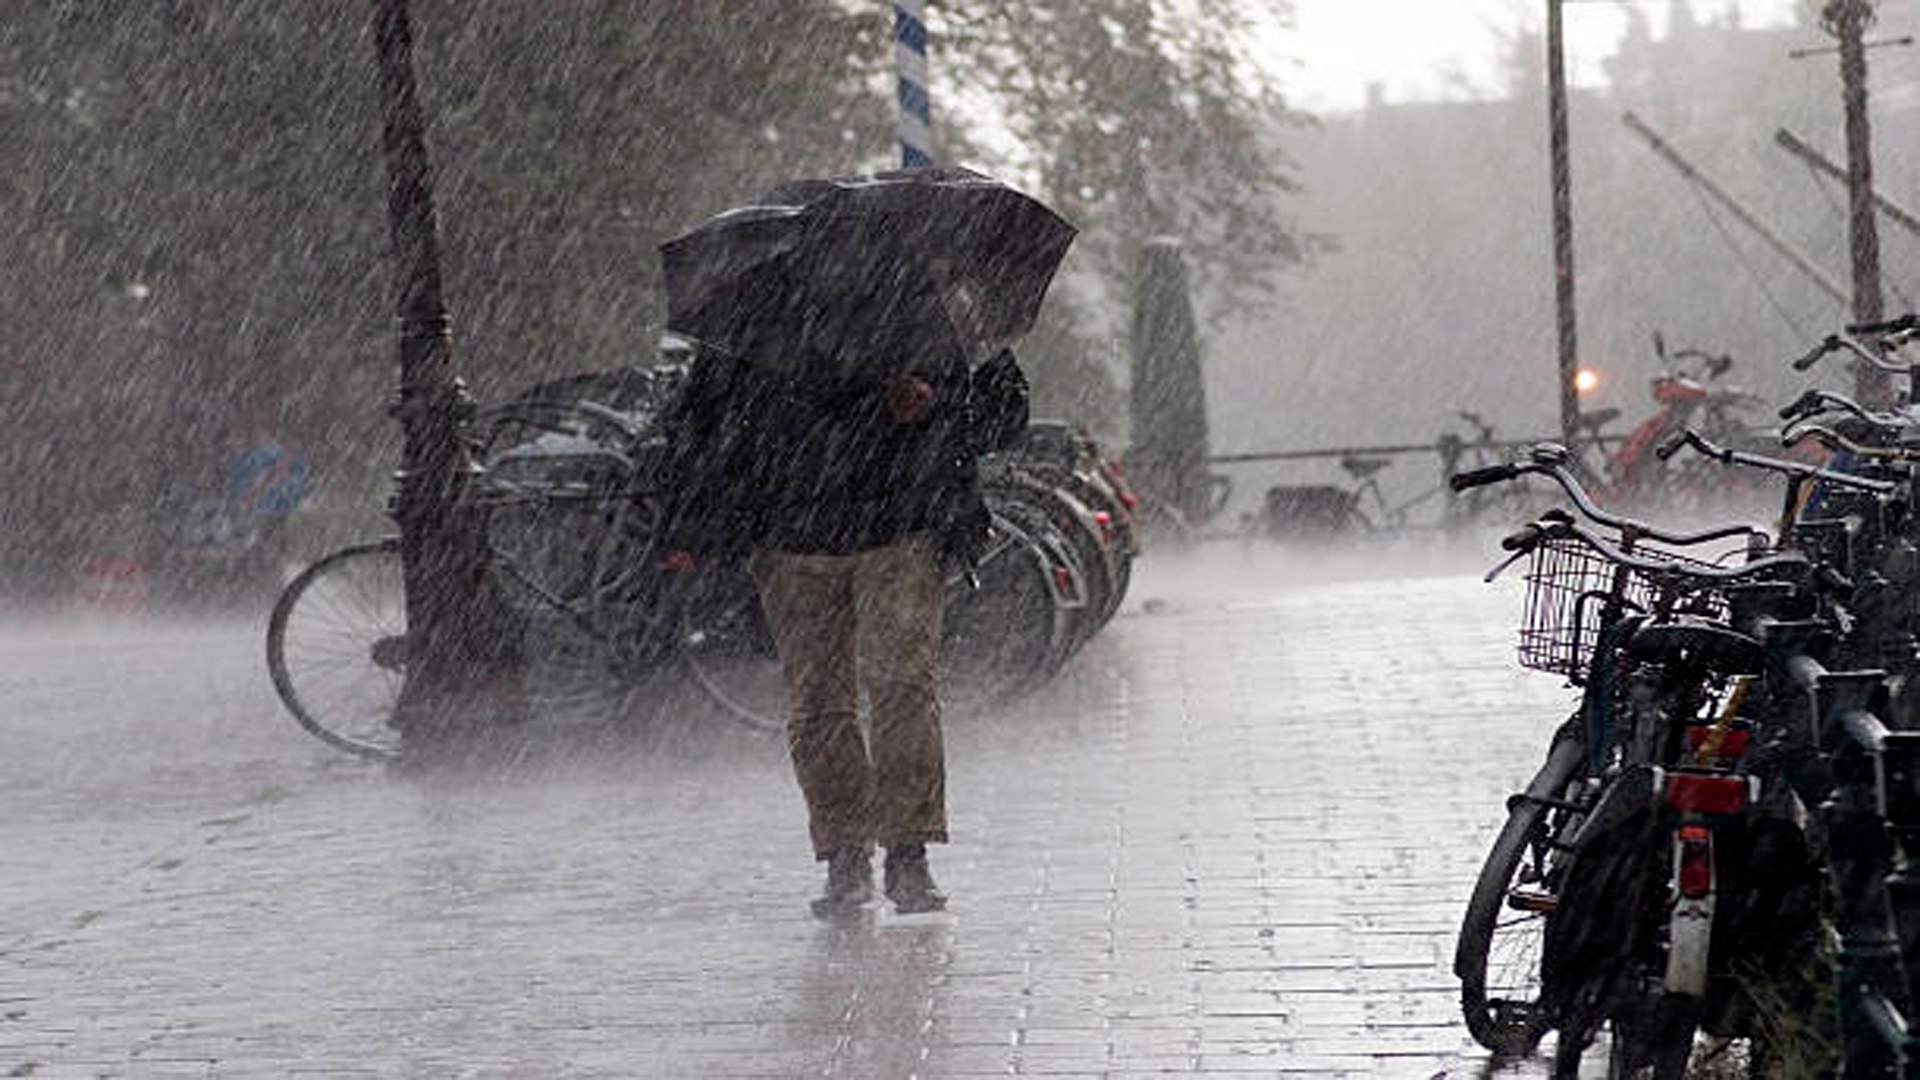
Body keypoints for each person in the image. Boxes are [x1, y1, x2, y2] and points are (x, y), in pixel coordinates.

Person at [658, 274, 1029, 917]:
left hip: (898, 527)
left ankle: (906, 852)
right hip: (795, 537)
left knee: (898, 685)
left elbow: (1002, 413)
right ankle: (847, 854)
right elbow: (706, 424)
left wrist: (934, 402)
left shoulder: (930, 309)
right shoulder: (760, 314)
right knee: (823, 698)